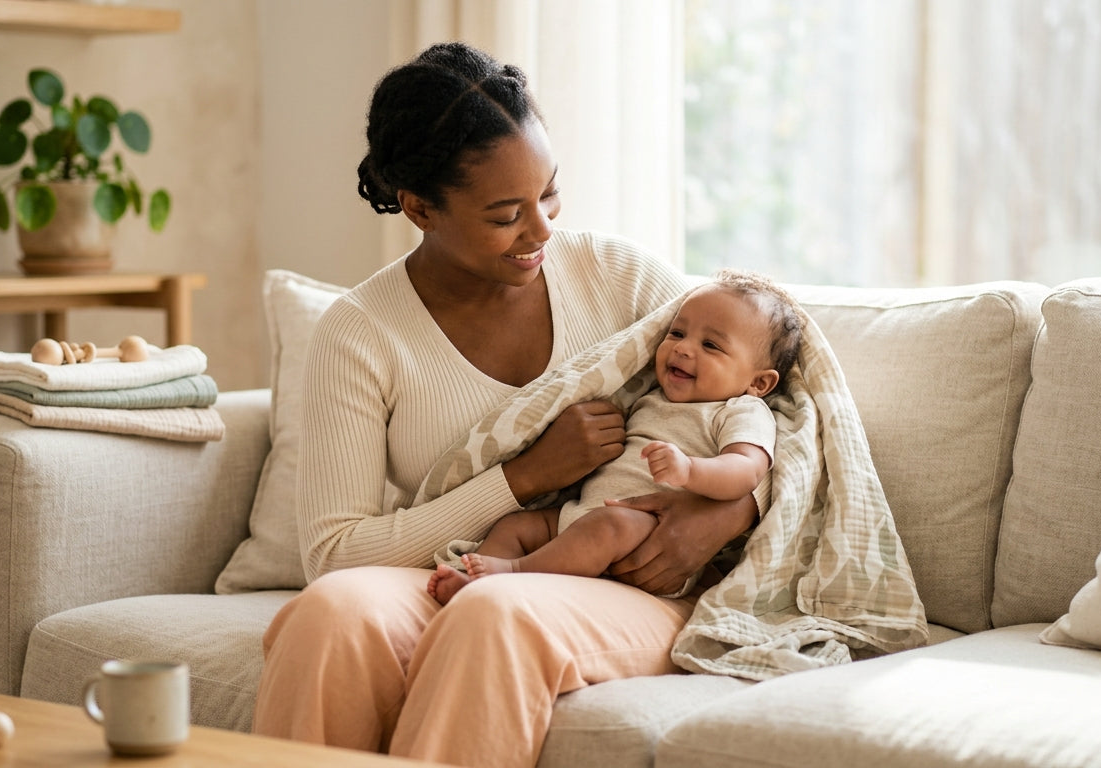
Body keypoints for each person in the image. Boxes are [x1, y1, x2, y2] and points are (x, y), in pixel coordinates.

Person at [252, 42, 761, 768]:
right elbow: (334, 554)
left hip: (623, 579)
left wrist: (726, 511)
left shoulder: (615, 276)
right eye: (505, 214)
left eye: (549, 194)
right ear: (420, 207)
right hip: (468, 566)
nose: (542, 230)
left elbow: (782, 393)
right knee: (330, 615)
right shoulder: (362, 332)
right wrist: (520, 478)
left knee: (495, 614)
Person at [427, 270, 803, 605]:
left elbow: (746, 470)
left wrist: (690, 470)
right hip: (585, 515)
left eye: (711, 346)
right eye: (677, 333)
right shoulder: (648, 395)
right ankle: (472, 584)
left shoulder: (740, 410)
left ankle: (510, 573)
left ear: (758, 382)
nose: (683, 348)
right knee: (517, 526)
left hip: (650, 537)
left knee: (608, 526)